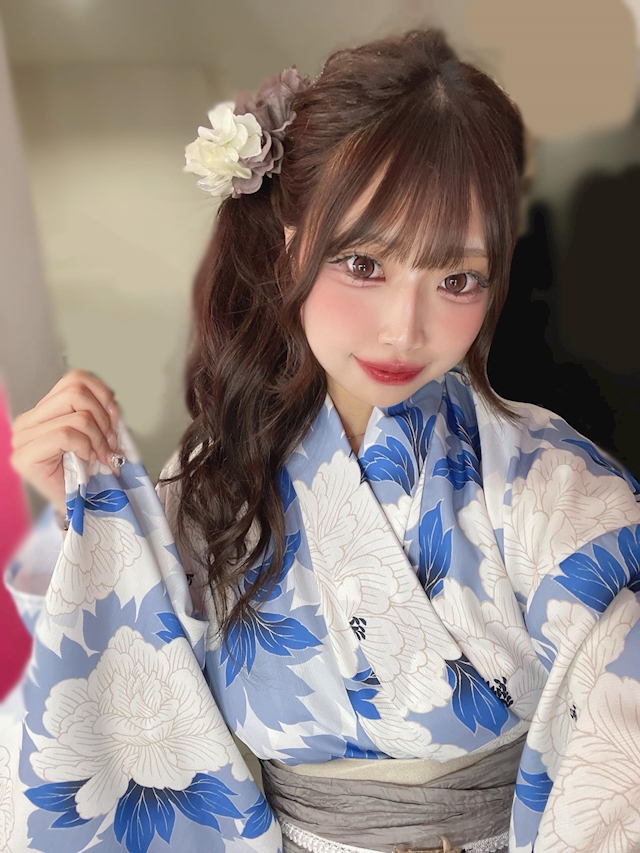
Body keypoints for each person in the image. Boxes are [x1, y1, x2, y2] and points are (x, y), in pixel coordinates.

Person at [4, 28, 640, 853]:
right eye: (364, 264)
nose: (405, 327)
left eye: (456, 279)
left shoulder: (554, 487)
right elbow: (124, 689)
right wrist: (80, 517)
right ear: (290, 241)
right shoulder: (216, 482)